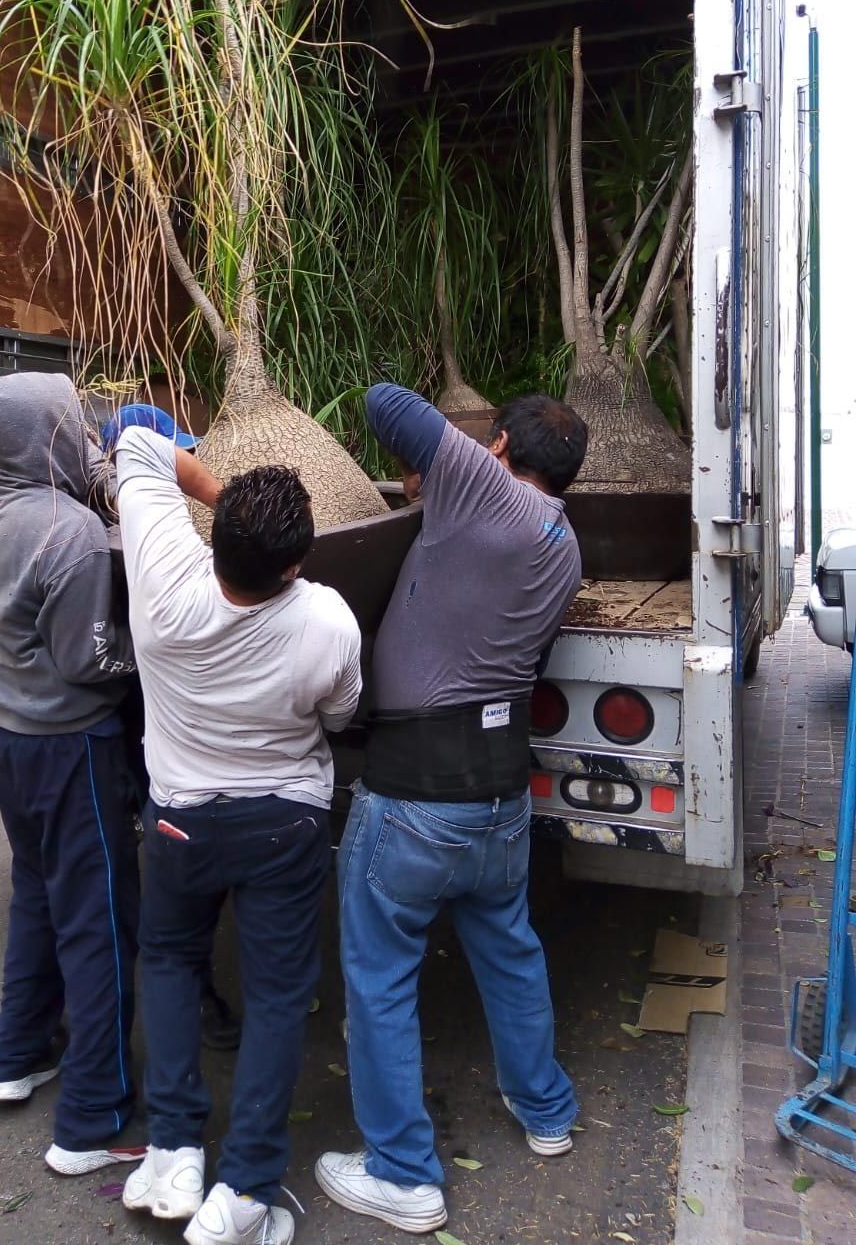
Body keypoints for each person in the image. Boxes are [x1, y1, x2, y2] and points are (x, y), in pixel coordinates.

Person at [316, 385, 588, 1235]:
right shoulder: (566, 541)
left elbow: (386, 403)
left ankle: (402, 1173)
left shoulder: (484, 485)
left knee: (379, 973)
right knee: (509, 949)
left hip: (415, 795)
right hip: (500, 794)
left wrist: (451, 457)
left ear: (500, 447)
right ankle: (545, 1112)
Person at [114, 425, 362, 1245]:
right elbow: (342, 715)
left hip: (179, 821)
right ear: (293, 565)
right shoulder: (326, 619)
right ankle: (246, 1192)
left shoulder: (162, 584)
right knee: (280, 994)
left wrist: (229, 504)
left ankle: (177, 1150)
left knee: (173, 963)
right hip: (281, 826)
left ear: (213, 537)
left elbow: (138, 441)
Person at [0, 371, 144, 1177]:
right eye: (78, 425)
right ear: (51, 440)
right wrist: (152, 656)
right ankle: (93, 1120)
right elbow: (88, 659)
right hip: (71, 746)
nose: (88, 435)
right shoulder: (69, 533)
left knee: (35, 895)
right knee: (98, 921)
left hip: (6, 737)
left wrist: (96, 470)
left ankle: (16, 1056)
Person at [100, 401, 244, 1056]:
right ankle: (184, 1003)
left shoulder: (130, 526)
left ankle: (182, 994)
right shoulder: (137, 544)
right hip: (141, 732)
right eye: (178, 454)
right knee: (160, 891)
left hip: (142, 731)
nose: (190, 464)